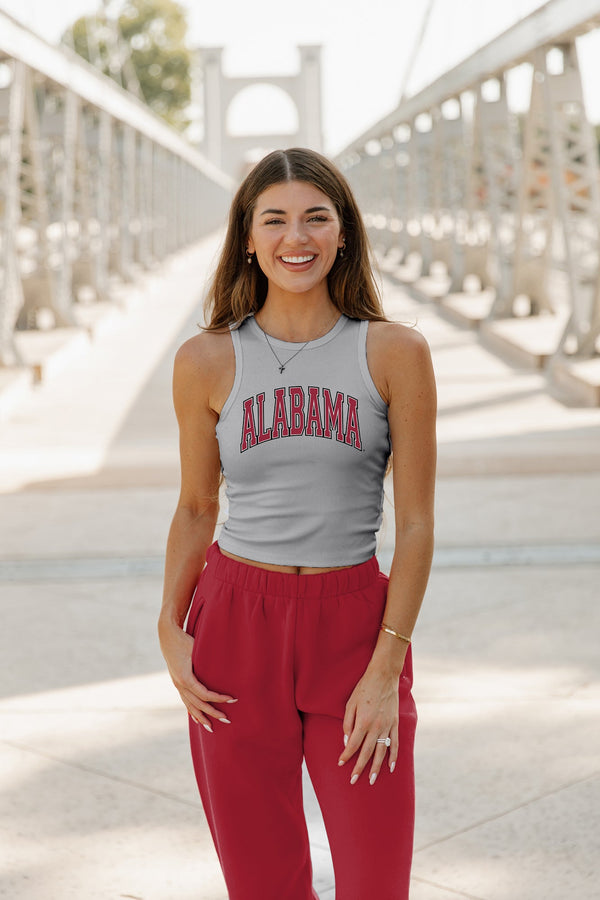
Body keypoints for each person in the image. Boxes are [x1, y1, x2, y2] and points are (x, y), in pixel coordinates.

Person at [158, 147, 437, 900]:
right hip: (234, 628)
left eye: (316, 217)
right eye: (274, 220)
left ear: (343, 232)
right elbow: (196, 506)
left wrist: (387, 668)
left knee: (376, 881)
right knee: (262, 884)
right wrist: (169, 625)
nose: (296, 237)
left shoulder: (395, 352)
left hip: (354, 626)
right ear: (248, 239)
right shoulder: (206, 359)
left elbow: (415, 523)